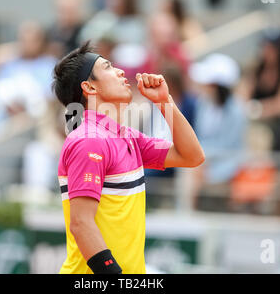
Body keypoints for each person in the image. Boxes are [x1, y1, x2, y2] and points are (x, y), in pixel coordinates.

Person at [52, 41, 204, 274]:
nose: (121, 71)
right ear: (90, 88)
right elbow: (81, 223)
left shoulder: (125, 136)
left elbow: (192, 156)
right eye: (108, 67)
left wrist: (164, 101)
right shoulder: (89, 140)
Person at [189, 53, 247, 209]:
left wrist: (203, 166)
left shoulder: (237, 111)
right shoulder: (203, 104)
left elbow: (228, 147)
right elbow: (199, 137)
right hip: (202, 166)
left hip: (225, 169)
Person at [241, 29, 280, 153]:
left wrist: (257, 109)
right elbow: (243, 94)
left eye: (271, 48)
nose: (266, 51)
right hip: (256, 125)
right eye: (264, 47)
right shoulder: (256, 70)